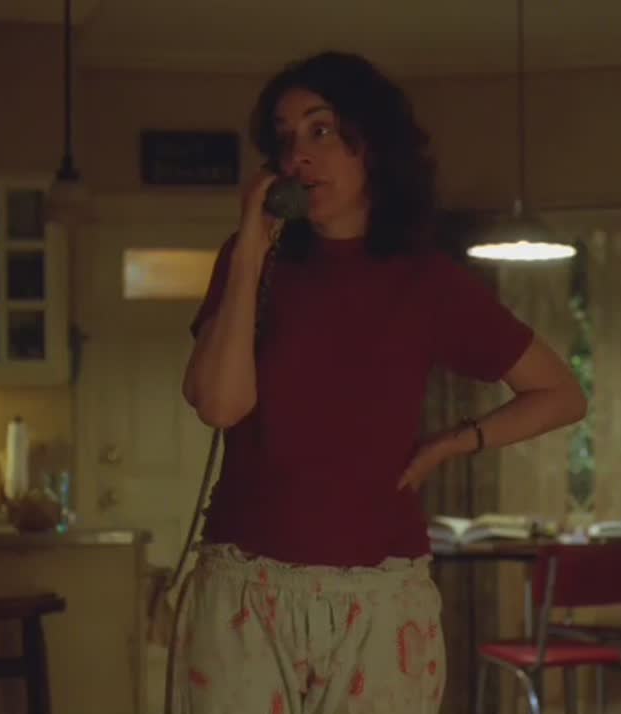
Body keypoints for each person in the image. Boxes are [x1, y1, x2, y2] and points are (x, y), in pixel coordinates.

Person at [176, 51, 587, 714]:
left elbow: (562, 393)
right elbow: (221, 404)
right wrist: (251, 247)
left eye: (321, 130)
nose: (299, 155)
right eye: (285, 139)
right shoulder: (252, 263)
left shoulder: (427, 281)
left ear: (371, 144)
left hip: (378, 599)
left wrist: (453, 442)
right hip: (245, 589)